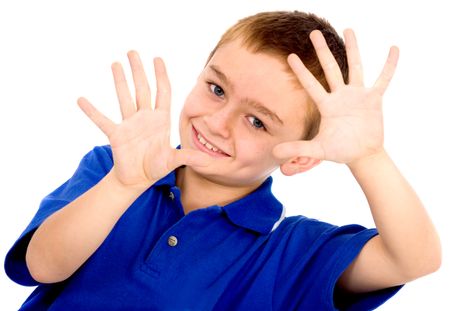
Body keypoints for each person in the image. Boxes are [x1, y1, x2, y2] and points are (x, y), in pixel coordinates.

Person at [5, 10, 441, 310]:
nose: (217, 122)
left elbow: (413, 260)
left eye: (257, 121)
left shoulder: (289, 252)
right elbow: (41, 267)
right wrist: (123, 186)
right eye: (216, 89)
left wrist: (369, 156)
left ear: (301, 158)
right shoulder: (112, 171)